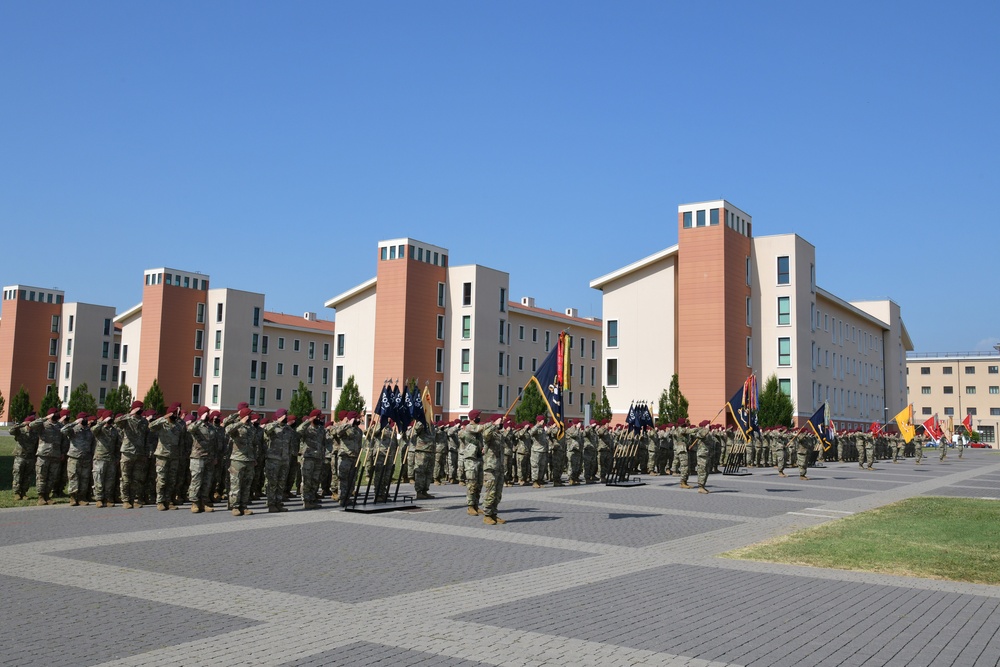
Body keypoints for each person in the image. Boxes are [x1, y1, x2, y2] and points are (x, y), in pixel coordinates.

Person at [149, 403, 185, 510]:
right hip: (162, 455)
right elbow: (151, 426)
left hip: (174, 456)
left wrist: (181, 455)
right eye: (174, 413)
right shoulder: (162, 425)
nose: (176, 415)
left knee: (172, 480)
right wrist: (163, 418)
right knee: (161, 479)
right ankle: (160, 501)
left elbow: (181, 441)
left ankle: (168, 500)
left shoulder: (178, 426)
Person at [30, 408, 70, 505]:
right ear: (50, 414)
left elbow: (64, 440)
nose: (57, 415)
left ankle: (47, 496)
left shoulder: (60, 426)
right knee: (42, 476)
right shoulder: (43, 424)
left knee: (52, 477)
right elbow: (31, 425)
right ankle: (41, 497)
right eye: (55, 413)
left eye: (57, 413)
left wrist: (63, 453)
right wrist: (45, 418)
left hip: (56, 455)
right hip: (43, 454)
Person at [225, 407, 257, 516]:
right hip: (237, 460)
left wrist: (254, 458)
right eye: (249, 415)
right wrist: (240, 422)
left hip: (249, 459)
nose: (251, 417)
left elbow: (253, 445)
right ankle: (235, 506)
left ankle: (244, 506)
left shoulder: (251, 428)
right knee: (236, 484)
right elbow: (227, 429)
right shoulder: (237, 426)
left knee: (246, 485)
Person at [187, 406, 219, 513]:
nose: (208, 415)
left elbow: (214, 443)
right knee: (196, 480)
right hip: (198, 457)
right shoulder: (196, 425)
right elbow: (190, 429)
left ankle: (204, 502)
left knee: (207, 481)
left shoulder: (211, 427)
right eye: (206, 413)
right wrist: (200, 420)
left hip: (209, 457)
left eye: (208, 413)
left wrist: (214, 457)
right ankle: (195, 503)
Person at [262, 408, 294, 512]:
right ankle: (271, 504)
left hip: (284, 459)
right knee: (272, 483)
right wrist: (277, 422)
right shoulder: (272, 427)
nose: (286, 417)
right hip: (273, 460)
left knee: (281, 483)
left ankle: (279, 503)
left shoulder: (288, 429)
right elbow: (266, 431)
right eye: (283, 415)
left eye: (286, 415)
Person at [61, 412, 95, 506]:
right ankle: (73, 497)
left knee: (84, 478)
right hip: (74, 457)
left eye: (86, 419)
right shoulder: (73, 429)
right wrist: (75, 422)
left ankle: (81, 497)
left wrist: (92, 456)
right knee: (73, 477)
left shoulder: (89, 431)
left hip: (86, 458)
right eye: (84, 419)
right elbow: (63, 430)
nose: (86, 421)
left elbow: (93, 444)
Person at [296, 409, 327, 509]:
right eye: (317, 417)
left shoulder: (321, 429)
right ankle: (306, 501)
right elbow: (298, 431)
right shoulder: (307, 428)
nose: (319, 419)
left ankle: (312, 499)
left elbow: (323, 442)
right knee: (307, 480)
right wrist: (308, 421)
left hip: (318, 458)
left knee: (315, 480)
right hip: (308, 457)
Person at [90, 411, 120, 507]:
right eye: (109, 417)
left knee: (110, 480)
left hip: (111, 458)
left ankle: (108, 498)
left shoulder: (114, 430)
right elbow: (93, 430)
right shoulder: (100, 428)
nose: (110, 419)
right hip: (100, 458)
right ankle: (99, 499)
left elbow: (117, 445)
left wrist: (117, 457)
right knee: (99, 478)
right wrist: (103, 421)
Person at [481, 415, 506, 524]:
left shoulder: (499, 434)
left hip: (499, 467)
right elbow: (486, 435)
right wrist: (493, 424)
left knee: (498, 493)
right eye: (499, 421)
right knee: (490, 492)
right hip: (490, 467)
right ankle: (487, 515)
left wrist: (499, 426)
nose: (501, 423)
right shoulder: (489, 433)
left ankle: (494, 514)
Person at [9, 414, 38, 501]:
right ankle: (17, 493)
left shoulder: (35, 433)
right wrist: (22, 424)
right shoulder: (20, 430)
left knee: (27, 476)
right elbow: (11, 430)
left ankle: (24, 492)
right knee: (18, 474)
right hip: (20, 456)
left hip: (30, 457)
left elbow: (36, 445)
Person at [462, 411, 485, 515]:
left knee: (479, 483)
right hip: (471, 459)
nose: (479, 418)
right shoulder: (469, 427)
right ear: (473, 418)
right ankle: (470, 506)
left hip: (479, 457)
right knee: (472, 483)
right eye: (478, 416)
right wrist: (491, 424)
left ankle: (476, 505)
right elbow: (480, 428)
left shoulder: (478, 430)